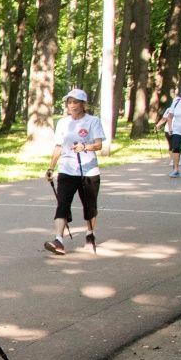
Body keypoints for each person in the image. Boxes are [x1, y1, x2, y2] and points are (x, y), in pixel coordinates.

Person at [43, 88, 105, 254]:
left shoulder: (93, 121)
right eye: (70, 102)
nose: (72, 105)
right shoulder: (63, 123)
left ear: (83, 104)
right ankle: (58, 240)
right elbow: (58, 146)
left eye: (76, 102)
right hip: (67, 169)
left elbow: (99, 145)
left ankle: (90, 235)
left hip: (88, 170)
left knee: (89, 206)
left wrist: (84, 146)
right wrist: (51, 167)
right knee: (62, 204)